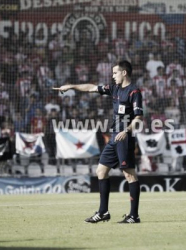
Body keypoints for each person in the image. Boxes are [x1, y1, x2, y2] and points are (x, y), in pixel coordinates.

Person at [53, 60, 143, 224]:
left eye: (115, 72)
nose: (113, 75)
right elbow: (91, 88)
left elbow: (138, 117)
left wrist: (126, 130)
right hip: (114, 137)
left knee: (129, 175)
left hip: (125, 137)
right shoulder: (114, 88)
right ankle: (103, 212)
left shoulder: (134, 91)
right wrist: (70, 86)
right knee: (101, 171)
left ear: (124, 73)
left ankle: (133, 216)